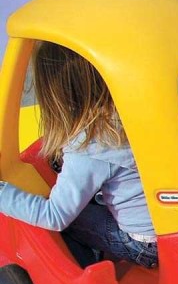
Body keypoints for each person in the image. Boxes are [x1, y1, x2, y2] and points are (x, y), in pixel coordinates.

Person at [0, 41, 158, 268]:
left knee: (68, 224)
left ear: (54, 96)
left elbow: (54, 216)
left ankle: (87, 275)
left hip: (146, 245)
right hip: (171, 223)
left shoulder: (89, 147)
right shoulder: (129, 112)